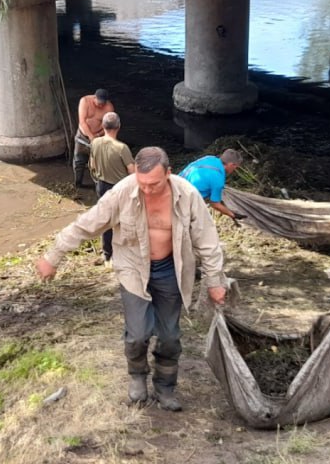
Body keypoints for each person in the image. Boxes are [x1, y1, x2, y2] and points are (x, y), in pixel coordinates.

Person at [36, 147, 228, 412]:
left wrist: (214, 282)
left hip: (171, 269)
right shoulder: (123, 192)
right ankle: (138, 376)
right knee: (138, 334)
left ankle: (165, 386)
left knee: (170, 335)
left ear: (169, 174)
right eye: (143, 183)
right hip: (133, 269)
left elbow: (208, 242)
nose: (147, 190)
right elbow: (86, 224)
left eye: (155, 184)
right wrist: (52, 256)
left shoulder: (188, 196)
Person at [89, 112, 135, 263]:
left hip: (101, 186)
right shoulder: (122, 148)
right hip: (120, 188)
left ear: (103, 126)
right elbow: (132, 171)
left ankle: (107, 253)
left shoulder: (95, 143)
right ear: (119, 127)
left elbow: (92, 164)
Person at [177, 149, 247, 224]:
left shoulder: (209, 158)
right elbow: (215, 204)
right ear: (231, 165)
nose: (234, 170)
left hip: (175, 185)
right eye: (235, 167)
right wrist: (232, 214)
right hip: (182, 202)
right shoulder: (218, 179)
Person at [73, 88, 115, 188]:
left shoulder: (109, 108)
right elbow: (82, 121)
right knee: (79, 160)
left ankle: (99, 186)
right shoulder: (85, 101)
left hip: (99, 137)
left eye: (103, 104)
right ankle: (77, 183)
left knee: (98, 164)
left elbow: (108, 127)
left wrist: (97, 136)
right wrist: (91, 136)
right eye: (99, 103)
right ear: (94, 98)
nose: (101, 106)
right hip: (82, 137)